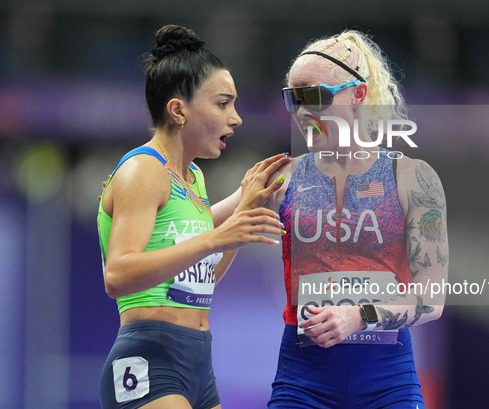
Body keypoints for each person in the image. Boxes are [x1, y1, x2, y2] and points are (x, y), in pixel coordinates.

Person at [97, 25, 289, 409]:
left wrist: (245, 207)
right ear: (178, 110)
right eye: (222, 104)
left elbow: (202, 279)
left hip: (200, 366)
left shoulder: (193, 178)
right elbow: (117, 276)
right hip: (150, 361)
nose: (236, 118)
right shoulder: (143, 171)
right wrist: (216, 238)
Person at [262, 30, 449, 408]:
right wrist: (133, 197)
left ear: (358, 95)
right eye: (293, 99)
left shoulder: (413, 178)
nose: (302, 112)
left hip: (388, 385)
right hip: (302, 385)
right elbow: (201, 223)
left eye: (314, 97)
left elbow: (431, 300)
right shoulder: (279, 178)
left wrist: (358, 316)